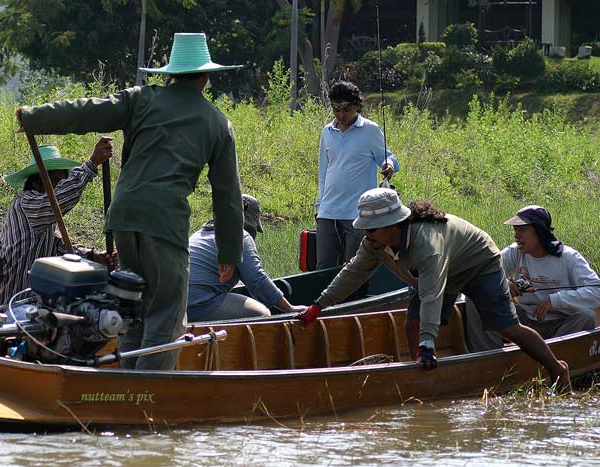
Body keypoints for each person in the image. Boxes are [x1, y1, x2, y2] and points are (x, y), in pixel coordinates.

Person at [16, 33, 245, 370]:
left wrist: (35, 116)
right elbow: (228, 197)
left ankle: (125, 389)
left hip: (123, 216)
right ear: (206, 76)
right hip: (164, 222)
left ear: (170, 73)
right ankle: (143, 401)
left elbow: (89, 110)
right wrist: (229, 253)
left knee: (133, 305)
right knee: (166, 317)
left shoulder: (142, 99)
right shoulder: (217, 122)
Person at [300, 188, 571, 390]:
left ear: (392, 225)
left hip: (477, 264)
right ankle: (420, 380)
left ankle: (557, 368)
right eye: (365, 228)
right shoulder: (374, 243)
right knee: (412, 324)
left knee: (506, 326)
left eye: (372, 228)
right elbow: (353, 272)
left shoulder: (427, 246)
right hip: (433, 272)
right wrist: (319, 306)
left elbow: (432, 293)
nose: (366, 233)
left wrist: (429, 342)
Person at [0, 140, 115, 308]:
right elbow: (59, 199)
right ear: (37, 181)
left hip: (31, 306)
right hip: (8, 305)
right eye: (55, 181)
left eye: (63, 181)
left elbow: (60, 248)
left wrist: (93, 256)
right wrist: (91, 164)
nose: (60, 186)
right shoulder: (27, 204)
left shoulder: (45, 220)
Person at [315, 80, 400, 269]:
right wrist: (319, 207)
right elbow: (324, 172)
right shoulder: (327, 132)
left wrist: (389, 165)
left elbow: (390, 158)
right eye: (336, 109)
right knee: (323, 267)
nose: (341, 114)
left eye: (346, 109)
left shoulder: (370, 130)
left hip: (358, 214)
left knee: (355, 267)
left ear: (357, 106)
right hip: (328, 212)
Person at [187, 194, 307, 322]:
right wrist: (289, 308)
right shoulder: (241, 236)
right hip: (198, 305)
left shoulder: (199, 234)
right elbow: (257, 280)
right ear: (249, 224)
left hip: (175, 305)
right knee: (262, 314)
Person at [503, 205, 599, 337]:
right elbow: (487, 273)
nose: (516, 235)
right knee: (493, 305)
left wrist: (554, 301)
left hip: (562, 323)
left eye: (523, 229)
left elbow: (596, 291)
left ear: (540, 231)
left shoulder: (569, 257)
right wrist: (502, 282)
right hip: (523, 321)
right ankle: (487, 353)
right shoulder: (515, 252)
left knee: (587, 316)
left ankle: (549, 351)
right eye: (515, 229)